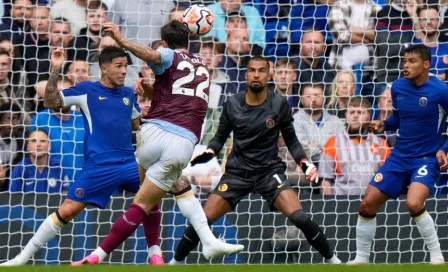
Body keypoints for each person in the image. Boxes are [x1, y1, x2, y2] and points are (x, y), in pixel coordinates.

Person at [73, 20, 244, 265]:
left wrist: (122, 41)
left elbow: (158, 71)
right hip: (181, 141)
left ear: (165, 43)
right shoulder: (203, 67)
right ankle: (97, 256)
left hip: (149, 134)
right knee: (143, 203)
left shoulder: (169, 57)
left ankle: (186, 246)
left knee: (176, 186)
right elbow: (169, 85)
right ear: (189, 41)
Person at [169, 56, 342, 265]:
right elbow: (219, 138)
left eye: (261, 71)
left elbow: (293, 142)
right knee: (202, 221)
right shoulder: (232, 103)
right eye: (252, 70)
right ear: (246, 74)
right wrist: (210, 152)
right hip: (237, 173)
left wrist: (305, 164)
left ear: (269, 75)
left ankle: (334, 261)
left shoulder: (279, 104)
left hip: (269, 172)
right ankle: (174, 264)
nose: (256, 75)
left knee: (299, 218)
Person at [0, 46, 163, 266]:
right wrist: (56, 69)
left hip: (128, 163)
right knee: (66, 211)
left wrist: (151, 100)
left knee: (159, 190)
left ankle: (156, 255)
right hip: (99, 166)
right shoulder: (86, 90)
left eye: (126, 66)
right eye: (119, 66)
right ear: (104, 68)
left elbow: (137, 125)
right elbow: (51, 102)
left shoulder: (127, 94)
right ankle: (22, 258)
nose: (124, 71)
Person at [349, 44, 447, 264]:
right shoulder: (398, 87)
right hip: (399, 157)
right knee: (367, 204)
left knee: (413, 203)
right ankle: (361, 259)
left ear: (426, 64)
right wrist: (384, 124)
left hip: (426, 158)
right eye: (404, 61)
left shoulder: (441, 90)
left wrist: (444, 149)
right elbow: (399, 118)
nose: (405, 66)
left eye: (412, 61)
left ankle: (437, 255)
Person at [9, 128, 70, 194]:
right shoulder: (20, 169)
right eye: (34, 141)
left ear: (49, 146)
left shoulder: (58, 166)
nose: (38, 144)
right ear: (28, 147)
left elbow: (65, 193)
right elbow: (13, 199)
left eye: (43, 141)